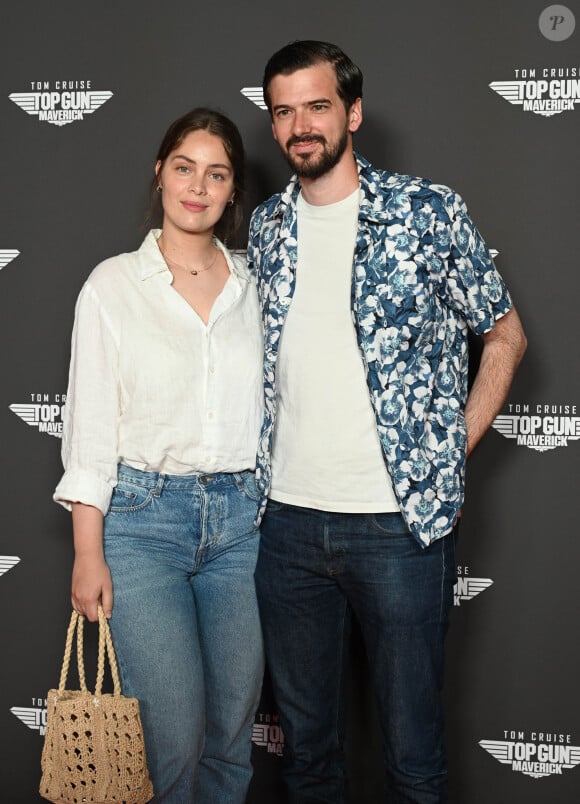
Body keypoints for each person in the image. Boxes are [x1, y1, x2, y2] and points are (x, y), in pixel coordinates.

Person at [248, 41, 527, 803]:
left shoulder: (426, 210)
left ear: (353, 112)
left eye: (317, 105)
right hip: (288, 529)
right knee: (307, 758)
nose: (300, 125)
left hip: (399, 526)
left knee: (412, 758)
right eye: (283, 111)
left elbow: (505, 334)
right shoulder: (267, 228)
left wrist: (450, 452)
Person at [54, 108, 265, 804]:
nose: (197, 187)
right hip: (144, 527)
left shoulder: (258, 286)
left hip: (243, 528)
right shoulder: (113, 286)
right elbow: (89, 429)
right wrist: (89, 553)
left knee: (232, 739)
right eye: (184, 168)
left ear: (234, 190)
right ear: (160, 173)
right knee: (173, 741)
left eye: (217, 174)